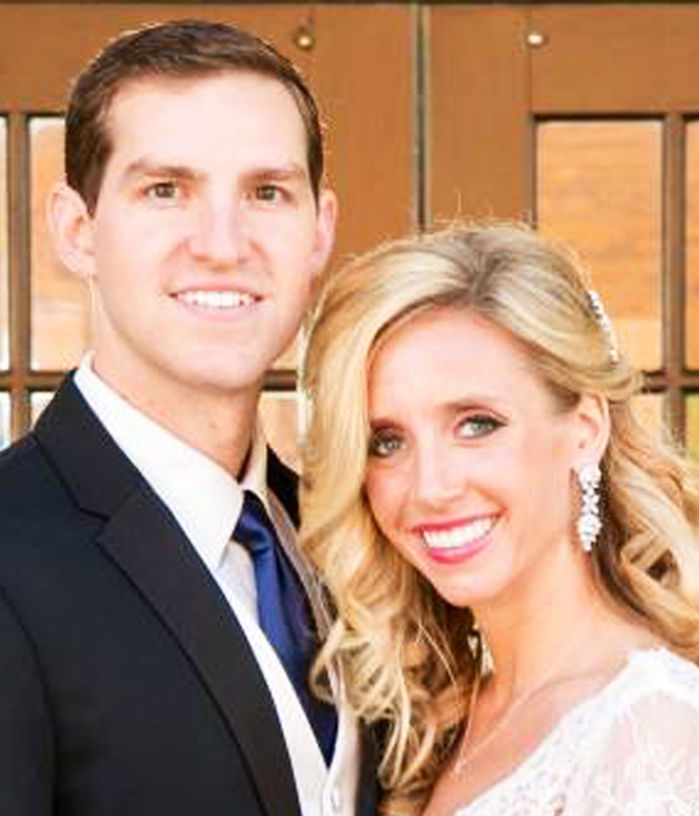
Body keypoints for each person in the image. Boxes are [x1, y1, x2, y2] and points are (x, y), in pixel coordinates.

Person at [0, 19, 377, 816]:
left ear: (319, 232)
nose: (222, 245)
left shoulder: (351, 542)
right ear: (77, 230)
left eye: (266, 193)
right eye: (165, 189)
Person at [300, 221, 699, 815]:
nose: (430, 487)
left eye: (476, 425)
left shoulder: (653, 731)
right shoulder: (438, 723)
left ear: (585, 430)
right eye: (387, 442)